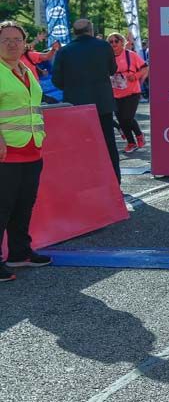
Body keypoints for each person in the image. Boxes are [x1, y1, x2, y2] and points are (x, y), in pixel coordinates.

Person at [0, 21, 50, 281]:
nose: (11, 43)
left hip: (32, 150)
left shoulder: (26, 70)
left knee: (23, 206)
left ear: (24, 43)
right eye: (5, 39)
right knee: (2, 207)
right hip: (6, 153)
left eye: (16, 39)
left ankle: (19, 253)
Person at [51, 19, 120, 183]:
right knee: (108, 143)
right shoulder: (104, 46)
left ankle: (86, 181)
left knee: (80, 145)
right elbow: (113, 69)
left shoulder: (64, 51)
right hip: (102, 103)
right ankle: (114, 181)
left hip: (75, 106)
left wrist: (72, 87)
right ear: (91, 30)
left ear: (74, 32)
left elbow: (56, 80)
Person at [107, 32, 148, 154]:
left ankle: (139, 135)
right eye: (111, 42)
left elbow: (145, 68)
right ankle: (131, 143)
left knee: (127, 117)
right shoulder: (108, 58)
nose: (113, 43)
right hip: (115, 93)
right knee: (121, 120)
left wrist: (136, 76)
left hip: (132, 92)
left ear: (122, 42)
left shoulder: (131, 55)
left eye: (116, 41)